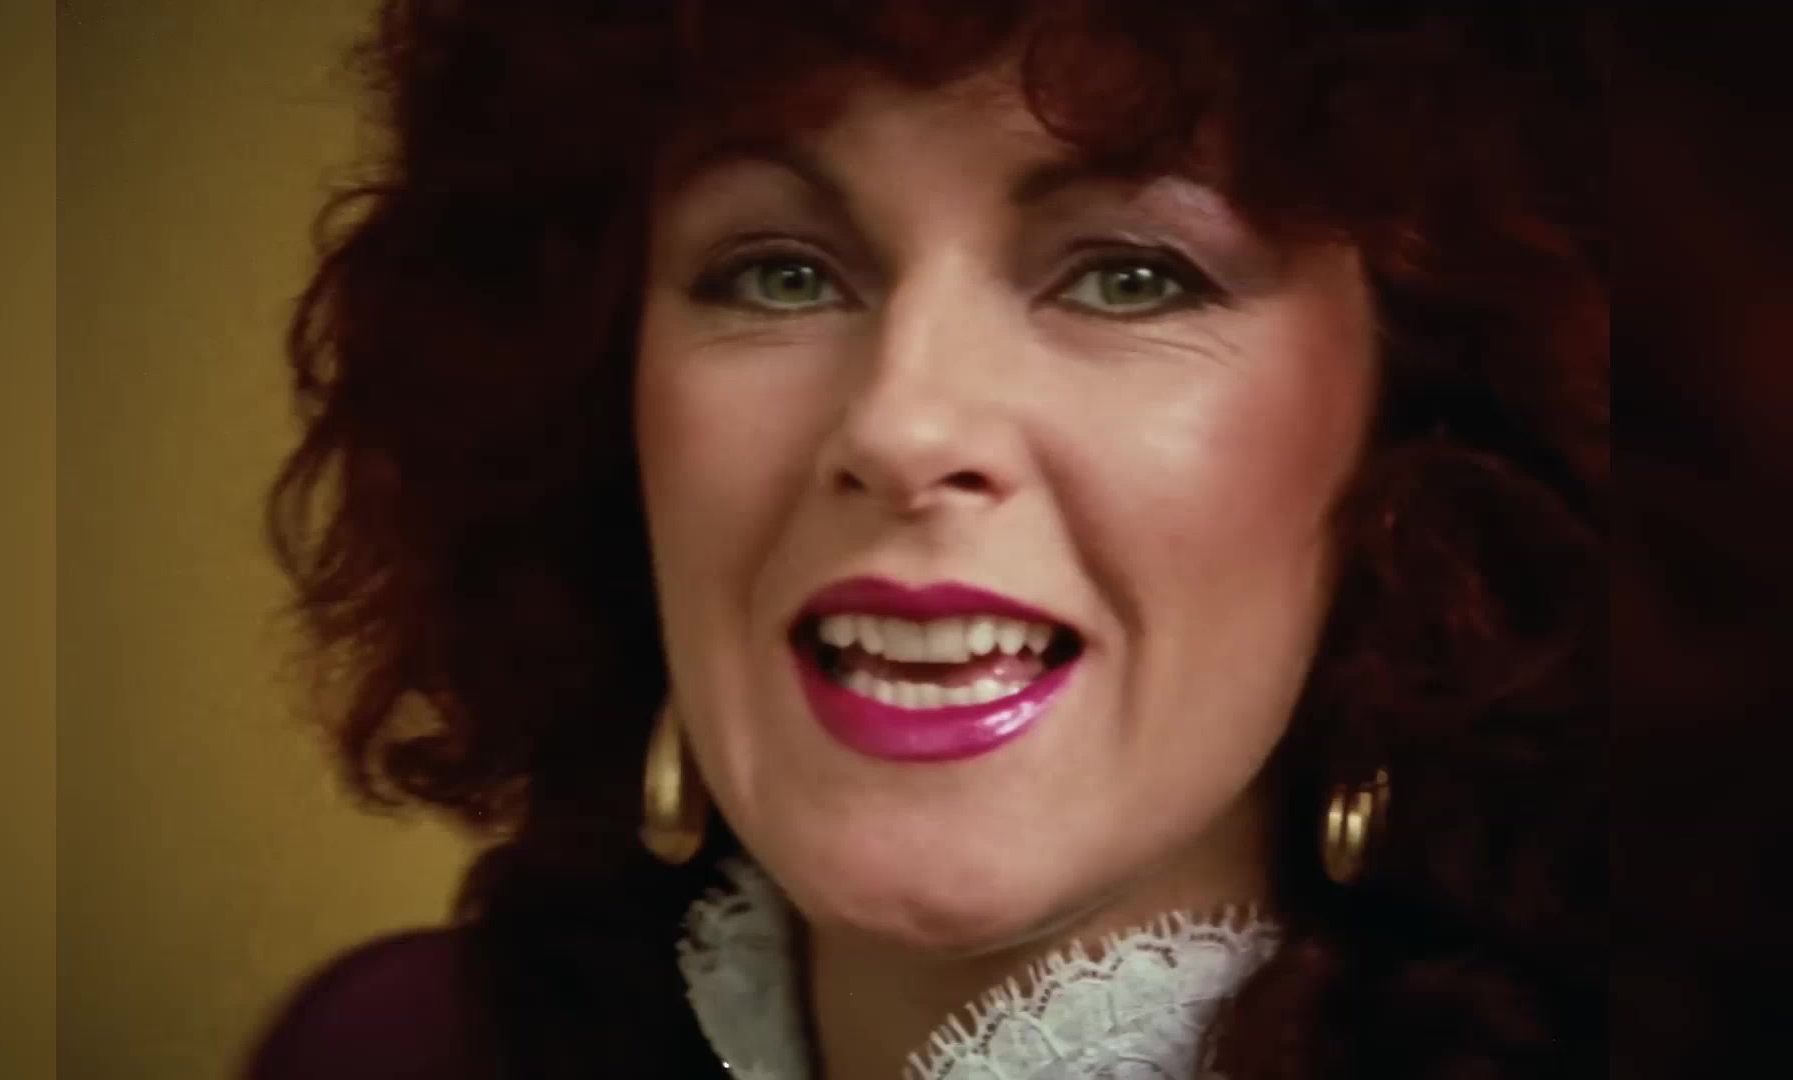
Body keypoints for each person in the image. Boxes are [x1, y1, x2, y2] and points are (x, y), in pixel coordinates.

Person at [247, 2, 1604, 1077]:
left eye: (1129, 276)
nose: (900, 424)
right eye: (779, 272)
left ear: (1422, 437)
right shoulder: (385, 1050)